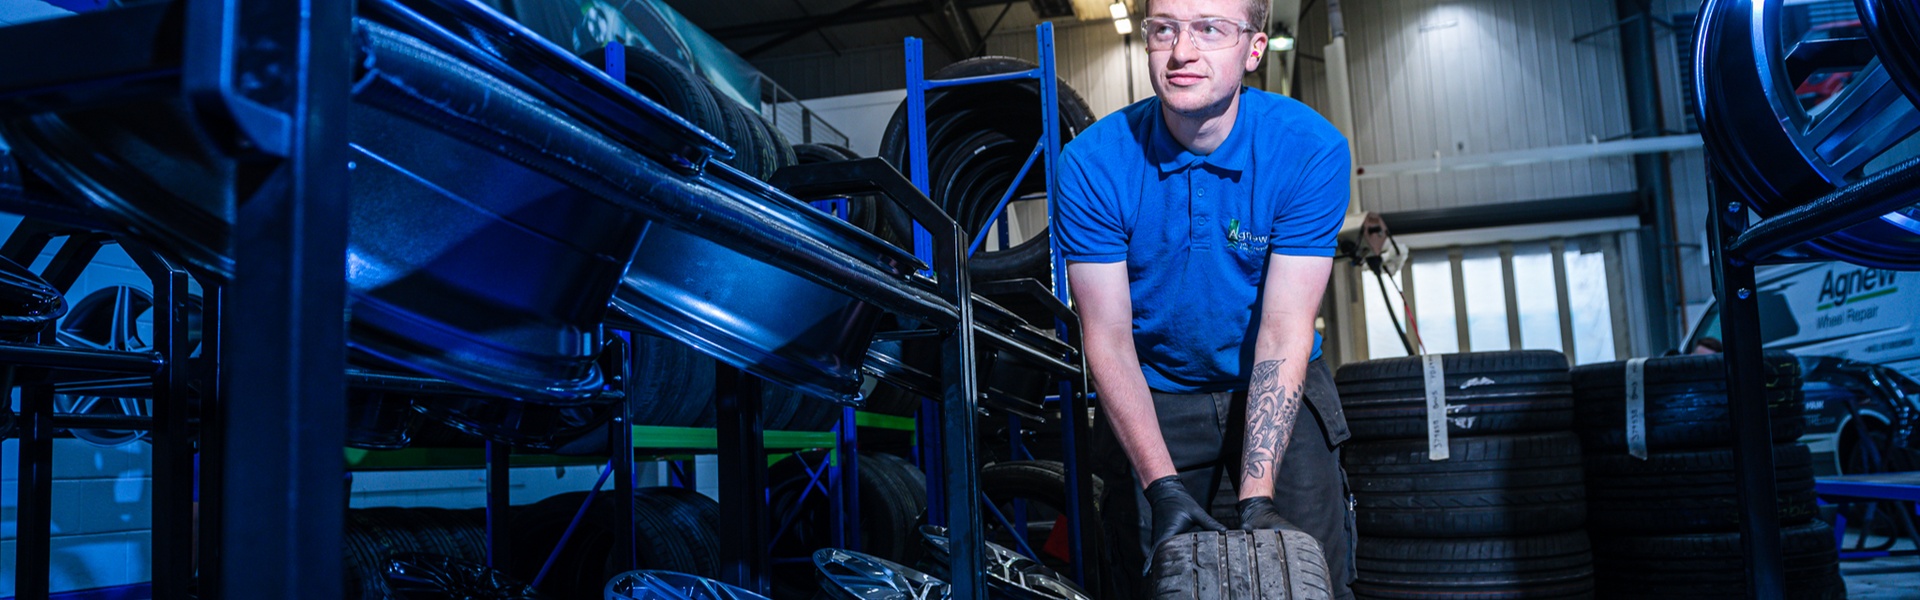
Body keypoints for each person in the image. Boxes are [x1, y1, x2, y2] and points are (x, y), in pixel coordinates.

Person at [1055, 0, 1356, 596]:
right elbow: (1108, 339)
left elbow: (1284, 329)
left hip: (1274, 388)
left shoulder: (1308, 150)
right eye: (1164, 28)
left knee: (1309, 577)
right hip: (1158, 395)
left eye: (1210, 29)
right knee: (1150, 581)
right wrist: (1162, 487)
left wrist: (1259, 495)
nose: (1182, 52)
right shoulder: (1092, 165)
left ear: (1253, 49)